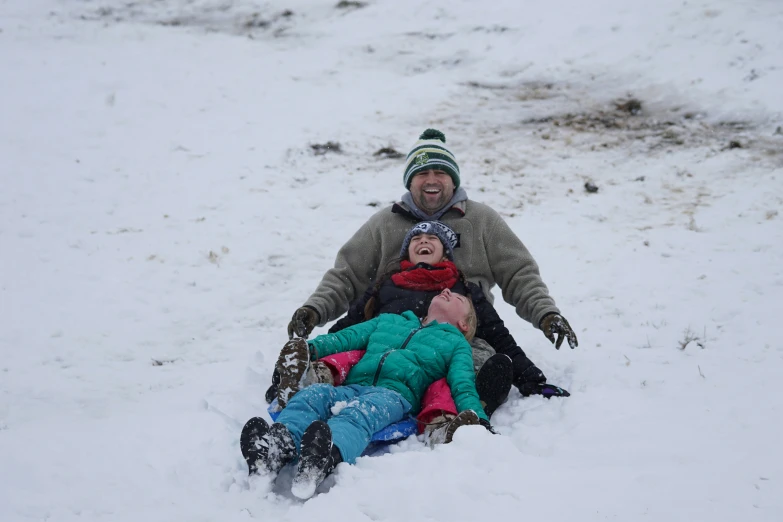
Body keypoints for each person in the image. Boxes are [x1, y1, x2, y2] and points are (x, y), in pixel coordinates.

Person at [287, 128, 578, 374]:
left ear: (453, 180)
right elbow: (346, 276)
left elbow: (519, 273)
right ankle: (309, 382)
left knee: (479, 367)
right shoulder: (385, 223)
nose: (431, 179)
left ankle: (464, 412)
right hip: (389, 335)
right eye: (422, 172)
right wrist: (314, 310)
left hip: (461, 336)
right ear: (410, 181)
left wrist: (546, 314)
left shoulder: (481, 220)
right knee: (342, 362)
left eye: (440, 172)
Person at [269, 221, 569, 442]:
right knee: (352, 353)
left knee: (468, 363)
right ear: (406, 253)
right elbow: (350, 326)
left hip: (438, 356)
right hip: (386, 348)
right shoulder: (387, 283)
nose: (424, 241)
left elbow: (497, 333)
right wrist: (304, 352)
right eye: (417, 239)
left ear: (446, 254)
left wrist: (531, 378)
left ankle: (465, 413)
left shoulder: (462, 290)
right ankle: (307, 378)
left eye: (432, 239)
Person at [241, 289, 495, 500]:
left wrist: (478, 420)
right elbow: (347, 338)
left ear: (464, 324)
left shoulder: (456, 344)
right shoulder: (391, 321)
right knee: (313, 395)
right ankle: (277, 446)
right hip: (353, 385)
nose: (447, 290)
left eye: (459, 299)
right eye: (445, 291)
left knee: (360, 414)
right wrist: (309, 349)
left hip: (394, 395)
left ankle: (325, 456)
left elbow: (463, 383)